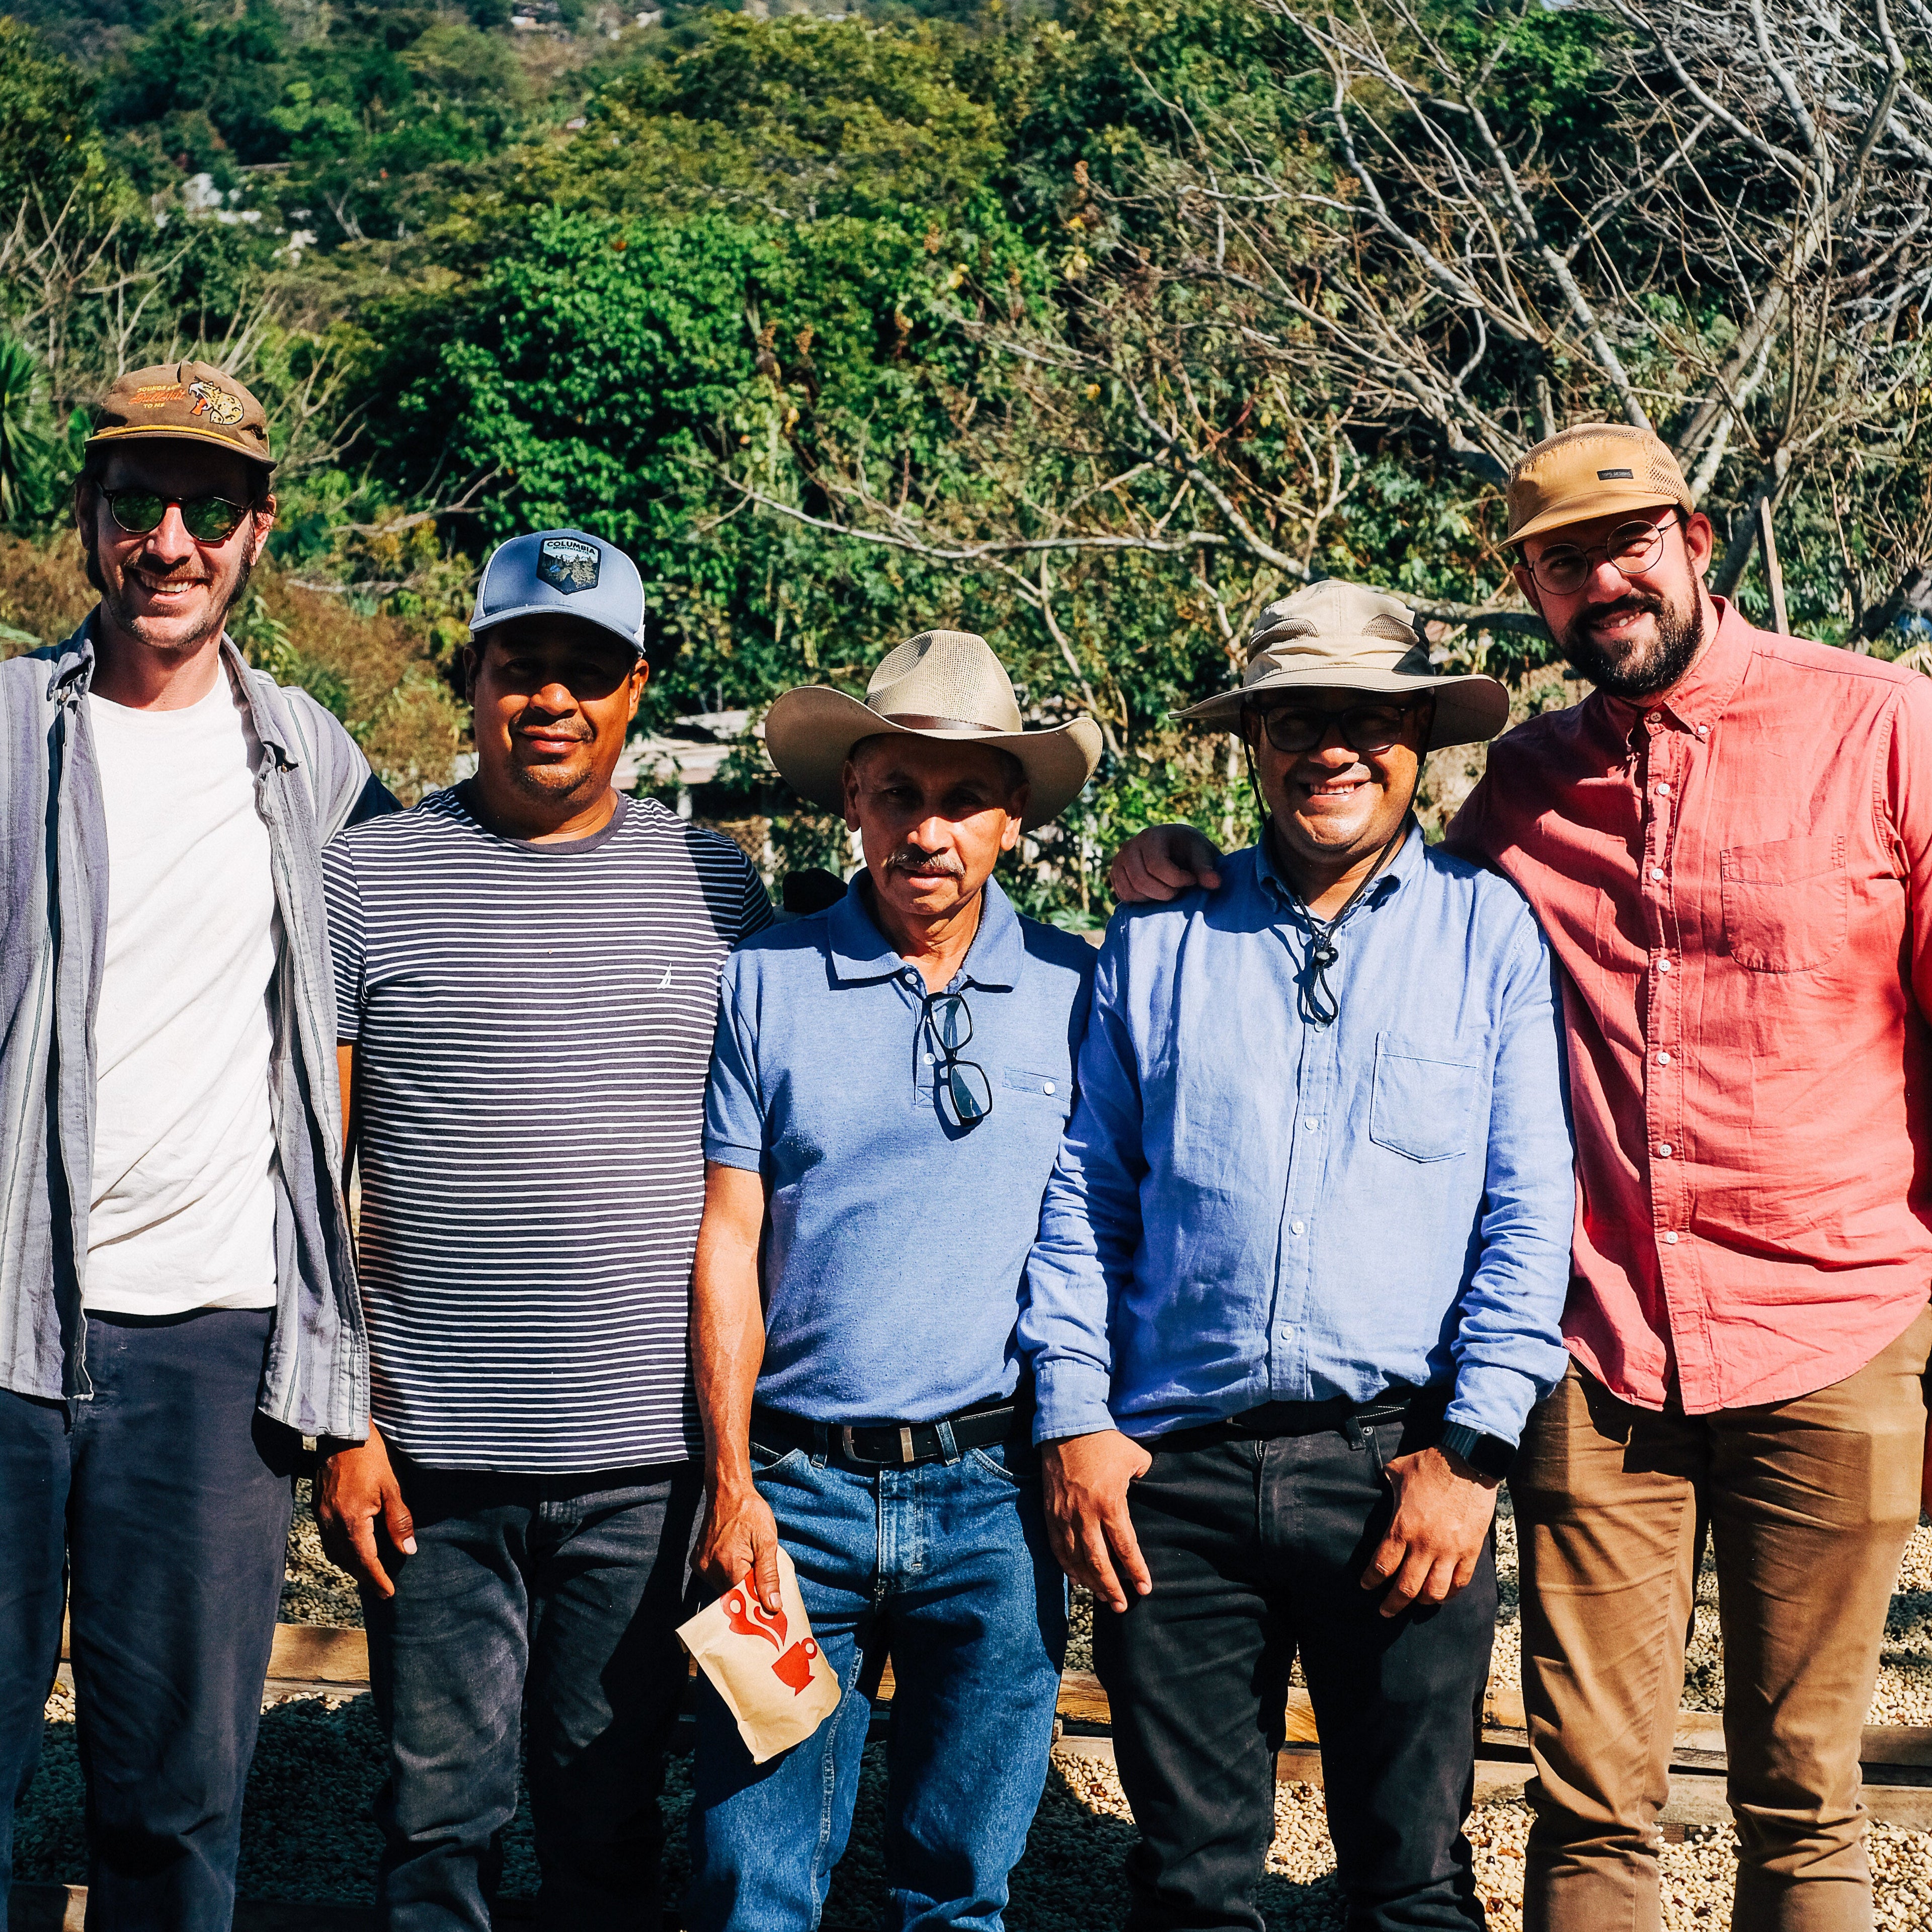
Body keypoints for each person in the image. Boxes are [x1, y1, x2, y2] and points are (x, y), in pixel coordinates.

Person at [1110, 425, 1932, 1931]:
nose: (1603, 582)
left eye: (1628, 544)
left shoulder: (1885, 730)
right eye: (1564, 563)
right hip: (1598, 1352)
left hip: (1834, 1329)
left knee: (1806, 1798)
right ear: (1533, 594)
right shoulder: (1523, 797)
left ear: (1696, 538)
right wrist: (1183, 867)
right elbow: (1364, 893)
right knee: (1591, 1795)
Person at [1025, 581, 1573, 1932]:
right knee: (1196, 1885)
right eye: (1294, 720)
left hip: (1403, 1469)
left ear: (1419, 742)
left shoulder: (1487, 933)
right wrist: (1076, 1416)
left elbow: (1526, 1211)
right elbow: (1083, 1195)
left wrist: (1473, 1455)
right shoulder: (1158, 943)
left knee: (1413, 1882)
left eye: (1367, 719)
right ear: (1251, 743)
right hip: (1177, 1479)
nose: (1330, 747)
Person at [313, 530, 772, 1932]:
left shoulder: (723, 889)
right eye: (524, 666)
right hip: (431, 1466)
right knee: (436, 1828)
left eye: (590, 670)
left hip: (643, 1471)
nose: (553, 699)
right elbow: (314, 1178)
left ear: (638, 691)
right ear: (474, 678)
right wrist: (344, 1424)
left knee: (606, 1828)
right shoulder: (365, 880)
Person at [0, 363, 387, 1930]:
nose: (172, 541)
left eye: (209, 508)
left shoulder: (317, 763)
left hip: (215, 1355)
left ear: (257, 532)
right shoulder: (9, 731)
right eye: (137, 505)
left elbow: (486, 873)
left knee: (175, 1808)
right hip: (6, 1335)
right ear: (87, 521)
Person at [684, 630, 1103, 1932]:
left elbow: (1100, 1238)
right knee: (755, 1887)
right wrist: (733, 1483)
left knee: (959, 1896)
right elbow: (726, 1243)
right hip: (794, 1503)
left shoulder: (1077, 992)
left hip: (996, 1502)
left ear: (1012, 820)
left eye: (963, 797)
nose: (928, 830)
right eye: (899, 794)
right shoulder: (766, 981)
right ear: (853, 799)